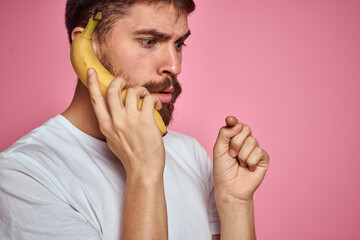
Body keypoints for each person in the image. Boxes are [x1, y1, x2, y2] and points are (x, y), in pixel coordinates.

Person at [0, 0, 270, 239]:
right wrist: (144, 173)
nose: (174, 66)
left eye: (178, 44)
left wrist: (236, 203)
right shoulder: (23, 175)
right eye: (149, 41)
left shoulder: (191, 154)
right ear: (89, 46)